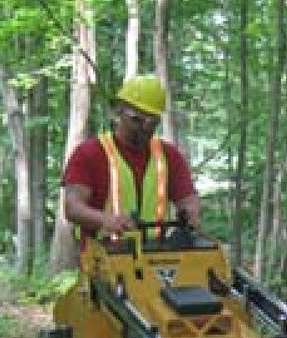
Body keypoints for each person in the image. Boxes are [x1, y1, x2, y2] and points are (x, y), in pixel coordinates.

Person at [62, 74, 201, 243]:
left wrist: (191, 213)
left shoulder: (169, 156)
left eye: (151, 122)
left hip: (157, 256)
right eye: (137, 120)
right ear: (120, 111)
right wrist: (106, 220)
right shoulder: (89, 153)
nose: (144, 128)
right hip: (103, 257)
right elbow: (72, 207)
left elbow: (188, 199)